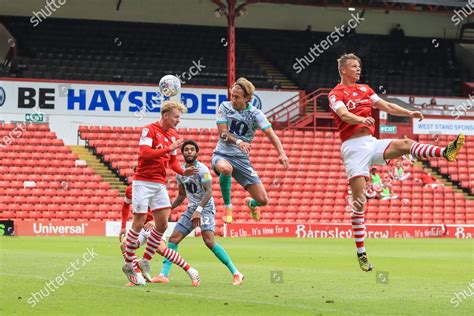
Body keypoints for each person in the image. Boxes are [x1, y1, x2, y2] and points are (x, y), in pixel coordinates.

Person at [328, 53, 465, 272]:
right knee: (359, 203)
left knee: (405, 143)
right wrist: (361, 119)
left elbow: (388, 107)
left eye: (359, 66)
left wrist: (409, 112)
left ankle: (445, 151)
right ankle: (361, 252)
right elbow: (343, 115)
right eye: (354, 66)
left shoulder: (366, 90)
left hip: (371, 142)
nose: (358, 69)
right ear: (343, 70)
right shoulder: (336, 94)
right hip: (353, 148)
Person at [122, 100, 201, 286]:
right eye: (176, 117)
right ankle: (128, 264)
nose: (178, 120)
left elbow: (172, 162)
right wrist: (169, 149)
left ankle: (145, 261)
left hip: (159, 183)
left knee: (163, 224)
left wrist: (183, 172)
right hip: (142, 181)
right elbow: (144, 154)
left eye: (179, 117)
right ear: (165, 115)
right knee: (139, 222)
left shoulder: (173, 135)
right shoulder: (148, 130)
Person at [153, 140, 244, 285]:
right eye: (186, 150)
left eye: (192, 149)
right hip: (191, 209)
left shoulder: (202, 169)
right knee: (174, 239)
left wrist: (199, 210)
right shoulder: (181, 172)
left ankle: (236, 273)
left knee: (209, 241)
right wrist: (168, 208)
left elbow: (209, 192)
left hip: (205, 208)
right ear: (182, 153)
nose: (189, 152)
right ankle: (164, 274)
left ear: (197, 153)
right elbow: (182, 195)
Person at [212, 77, 289, 223]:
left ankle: (251, 204)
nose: (233, 99)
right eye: (232, 96)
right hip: (222, 154)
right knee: (225, 169)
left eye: (237, 97)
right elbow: (222, 133)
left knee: (263, 200)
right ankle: (228, 207)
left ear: (247, 98)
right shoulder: (224, 107)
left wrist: (281, 153)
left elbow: (271, 133)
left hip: (241, 159)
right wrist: (239, 141)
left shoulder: (256, 114)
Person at [119, 183, 165, 286]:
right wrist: (123, 227)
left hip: (154, 225)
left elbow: (165, 208)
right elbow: (125, 206)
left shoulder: (154, 187)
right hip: (140, 226)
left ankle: (166, 274)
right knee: (124, 244)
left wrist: (154, 220)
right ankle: (137, 276)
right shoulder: (130, 190)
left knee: (161, 250)